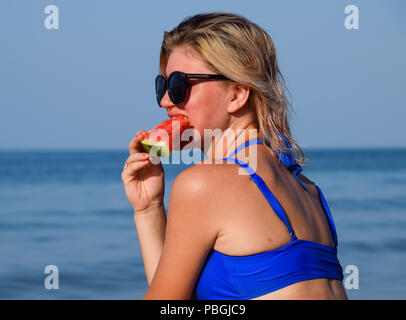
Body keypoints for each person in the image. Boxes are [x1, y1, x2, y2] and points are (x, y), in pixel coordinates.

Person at [121, 12, 348, 300]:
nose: (166, 101)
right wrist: (149, 208)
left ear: (237, 94)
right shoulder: (308, 191)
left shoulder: (203, 184)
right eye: (162, 86)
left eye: (179, 85)